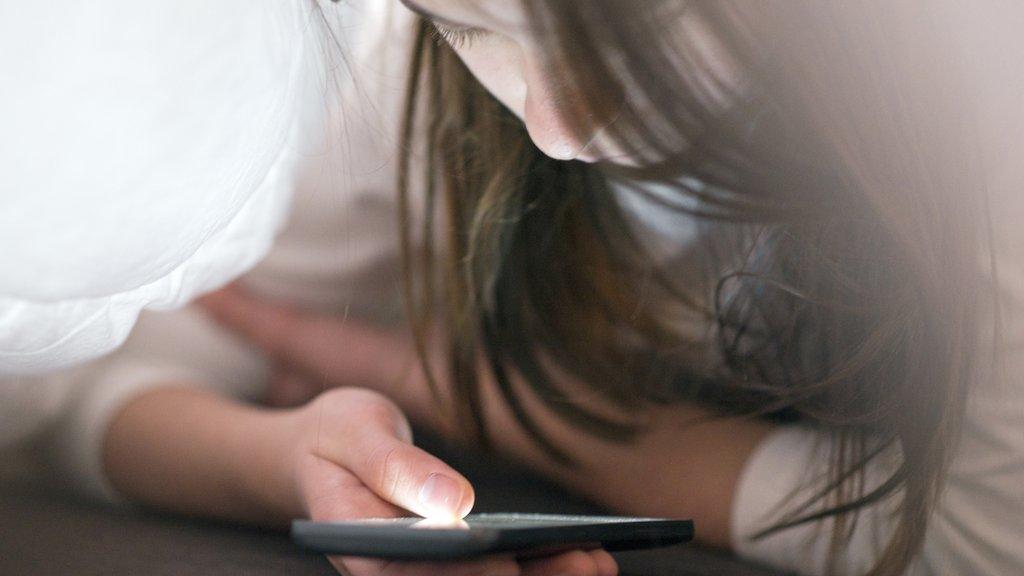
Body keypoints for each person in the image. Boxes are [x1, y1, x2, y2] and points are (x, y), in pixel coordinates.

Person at [2, 2, 1021, 576]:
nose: (554, 129)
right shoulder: (387, 72)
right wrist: (288, 459)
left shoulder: (990, 102)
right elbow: (59, 394)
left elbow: (983, 538)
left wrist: (493, 402)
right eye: (467, 30)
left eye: (635, 24)